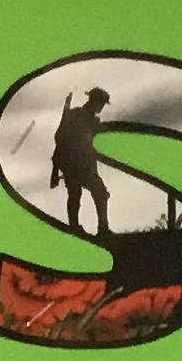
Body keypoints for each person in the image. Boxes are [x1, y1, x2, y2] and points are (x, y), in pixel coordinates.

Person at [50, 87, 114, 245]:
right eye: (101, 103)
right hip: (74, 163)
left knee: (94, 193)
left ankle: (99, 228)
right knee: (79, 194)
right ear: (95, 101)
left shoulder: (92, 121)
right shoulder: (77, 115)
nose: (102, 107)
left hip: (83, 164)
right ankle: (79, 227)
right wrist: (56, 168)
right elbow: (59, 137)